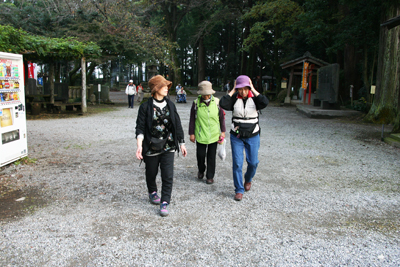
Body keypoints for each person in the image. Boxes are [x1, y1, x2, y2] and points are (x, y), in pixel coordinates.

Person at [135, 75, 187, 217]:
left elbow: (177, 125)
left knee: (168, 174)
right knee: (151, 172)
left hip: (168, 145)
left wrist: (181, 143)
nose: (166, 88)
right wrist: (139, 146)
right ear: (156, 89)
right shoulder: (145, 107)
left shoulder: (171, 105)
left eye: (166, 86)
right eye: (163, 86)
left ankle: (165, 201)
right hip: (151, 146)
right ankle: (152, 191)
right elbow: (140, 128)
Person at [219, 75, 269, 201]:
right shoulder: (234, 98)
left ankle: (248, 179)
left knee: (253, 162)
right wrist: (232, 90)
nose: (243, 92)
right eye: (241, 89)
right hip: (237, 135)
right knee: (237, 163)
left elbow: (265, 102)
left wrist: (253, 88)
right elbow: (222, 103)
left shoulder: (255, 99)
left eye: (246, 88)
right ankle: (239, 189)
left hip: (253, 134)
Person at [189, 81, 226, 184]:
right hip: (201, 134)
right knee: (200, 155)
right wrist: (191, 133)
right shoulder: (196, 103)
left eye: (208, 94)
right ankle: (201, 169)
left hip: (214, 134)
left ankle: (210, 176)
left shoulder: (217, 102)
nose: (206, 96)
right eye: (204, 94)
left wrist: (223, 131)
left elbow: (222, 118)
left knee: (211, 156)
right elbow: (192, 119)